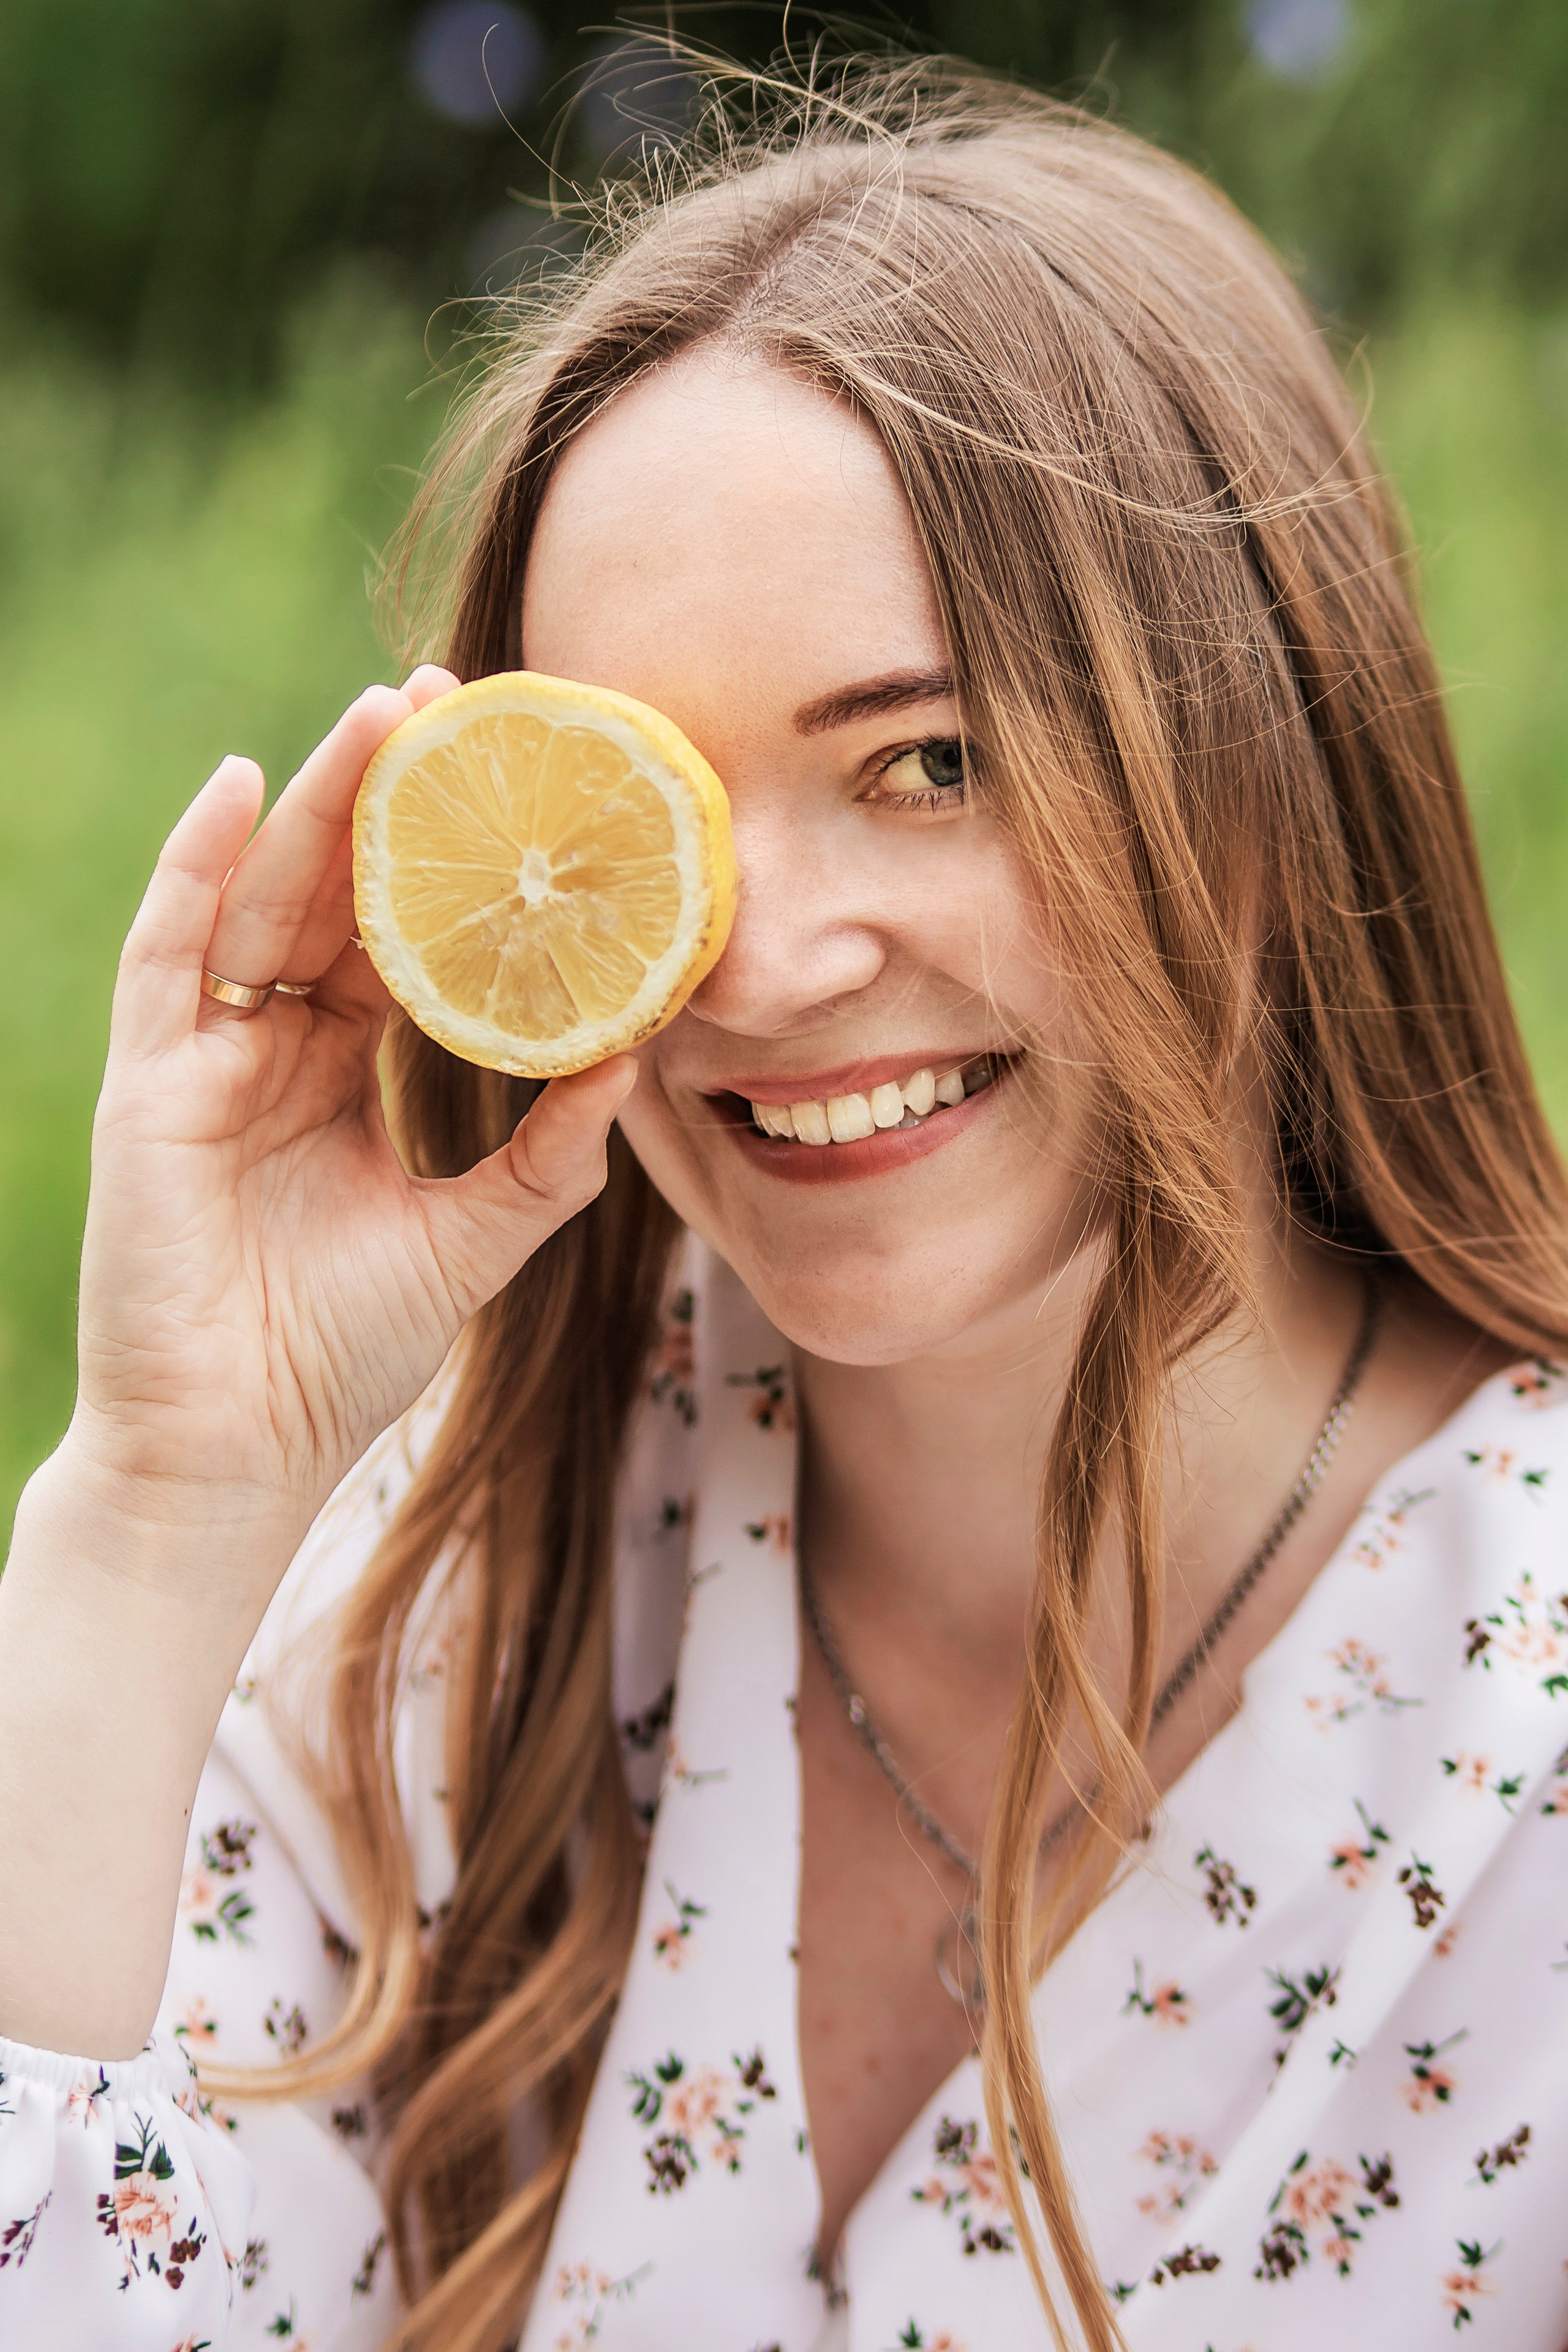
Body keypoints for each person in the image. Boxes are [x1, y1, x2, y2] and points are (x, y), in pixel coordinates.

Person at [1, 57, 1566, 2352]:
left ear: (1269, 767)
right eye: (651, 806)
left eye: (929, 764)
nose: (751, 963)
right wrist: (154, 1510)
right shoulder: (443, 1589)